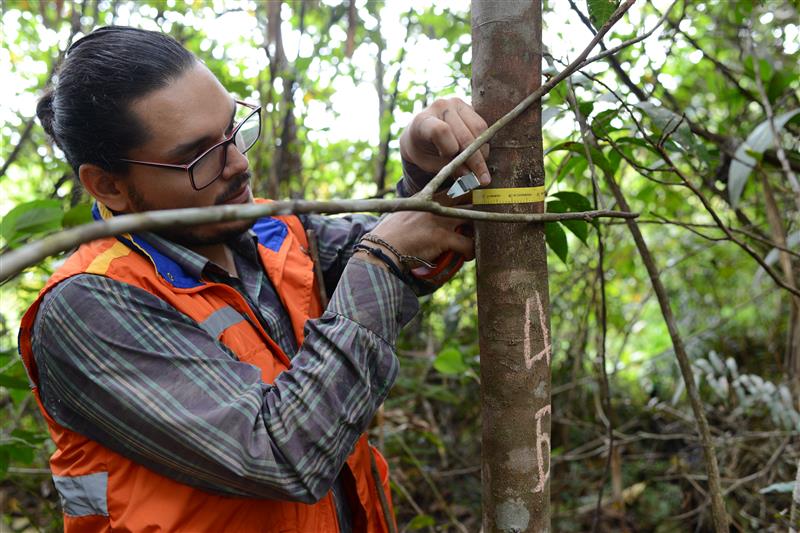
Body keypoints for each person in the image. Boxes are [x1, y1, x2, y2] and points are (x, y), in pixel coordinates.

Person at [19, 26, 491, 533]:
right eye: (199, 157)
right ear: (108, 185)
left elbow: (413, 251)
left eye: (233, 129)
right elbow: (281, 454)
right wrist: (383, 258)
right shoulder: (89, 306)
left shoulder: (272, 232)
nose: (239, 164)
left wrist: (426, 171)